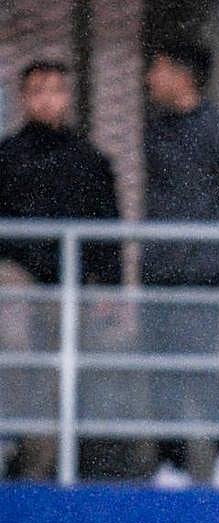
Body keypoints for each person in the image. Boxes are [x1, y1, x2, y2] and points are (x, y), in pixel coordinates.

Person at [142, 40, 219, 488]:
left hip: (202, 274)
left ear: (182, 74)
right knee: (159, 365)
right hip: (159, 273)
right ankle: (171, 462)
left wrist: (217, 257)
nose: (149, 78)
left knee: (196, 360)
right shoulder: (154, 133)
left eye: (157, 67)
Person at [0, 59, 121, 479]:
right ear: (23, 97)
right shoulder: (7, 158)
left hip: (67, 285)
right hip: (16, 275)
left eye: (55, 90)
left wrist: (109, 288)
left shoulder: (88, 160)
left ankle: (37, 469)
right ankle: (8, 434)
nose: (47, 100)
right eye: (38, 91)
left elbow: (107, 229)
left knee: (58, 381)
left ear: (67, 97)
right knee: (14, 349)